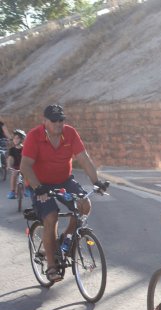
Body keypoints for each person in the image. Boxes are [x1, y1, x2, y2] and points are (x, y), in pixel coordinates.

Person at [20, 104, 109, 283]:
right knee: (51, 216)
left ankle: (64, 238)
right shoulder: (33, 136)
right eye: (54, 120)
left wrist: (96, 182)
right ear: (44, 121)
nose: (59, 123)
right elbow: (25, 166)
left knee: (84, 205)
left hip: (64, 180)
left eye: (61, 119)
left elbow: (83, 158)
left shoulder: (69, 133)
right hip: (40, 184)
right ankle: (52, 265)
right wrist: (38, 188)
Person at [6, 129, 29, 199]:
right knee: (14, 174)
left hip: (24, 166)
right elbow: (10, 158)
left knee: (26, 175)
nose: (15, 140)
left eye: (17, 138)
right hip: (16, 166)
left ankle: (27, 189)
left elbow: (28, 158)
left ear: (22, 139)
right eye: (14, 138)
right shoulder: (12, 149)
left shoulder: (25, 148)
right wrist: (8, 166)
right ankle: (12, 191)